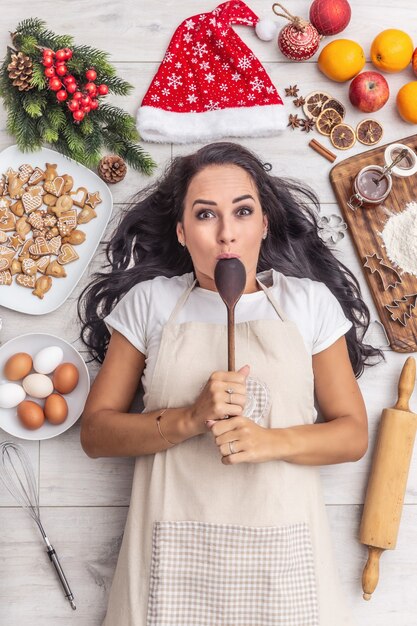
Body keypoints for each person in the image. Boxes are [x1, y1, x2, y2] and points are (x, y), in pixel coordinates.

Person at [79, 141, 382, 626]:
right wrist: (188, 418)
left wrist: (269, 441)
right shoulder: (149, 303)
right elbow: (95, 434)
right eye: (204, 215)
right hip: (171, 560)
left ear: (264, 223)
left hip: (282, 562)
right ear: (181, 232)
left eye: (242, 211)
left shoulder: (309, 303)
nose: (226, 234)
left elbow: (351, 436)